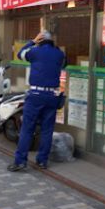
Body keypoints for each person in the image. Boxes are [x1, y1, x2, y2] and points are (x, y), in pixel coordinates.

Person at [7, 30, 65, 172]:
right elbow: (63, 65)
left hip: (35, 95)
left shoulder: (34, 52)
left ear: (40, 40)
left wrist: (32, 41)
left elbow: (20, 54)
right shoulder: (59, 54)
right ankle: (42, 161)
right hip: (52, 96)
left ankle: (20, 161)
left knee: (27, 128)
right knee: (47, 130)